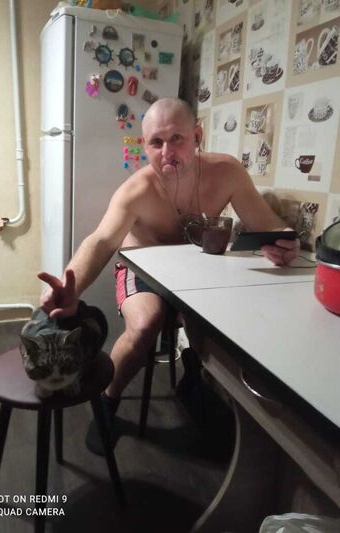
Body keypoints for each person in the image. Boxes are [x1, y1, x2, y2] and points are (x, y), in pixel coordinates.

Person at [38, 97, 299, 453]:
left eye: (177, 138)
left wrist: (284, 241)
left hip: (196, 271)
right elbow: (101, 240)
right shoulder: (137, 189)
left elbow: (268, 225)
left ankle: (194, 379)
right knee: (146, 324)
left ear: (197, 136)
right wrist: (73, 285)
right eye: (156, 142)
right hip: (140, 267)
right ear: (144, 146)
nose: (167, 152)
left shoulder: (227, 172)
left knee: (225, 320)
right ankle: (108, 403)